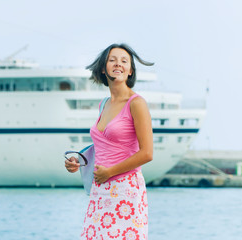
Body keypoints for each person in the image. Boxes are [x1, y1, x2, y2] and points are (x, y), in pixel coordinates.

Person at [65, 43, 154, 240]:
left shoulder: (136, 104)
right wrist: (79, 162)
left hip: (126, 190)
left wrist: (110, 172)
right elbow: (103, 146)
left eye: (124, 61)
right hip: (100, 189)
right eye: (112, 60)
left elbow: (147, 153)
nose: (118, 64)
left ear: (130, 71)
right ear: (104, 68)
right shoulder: (104, 104)